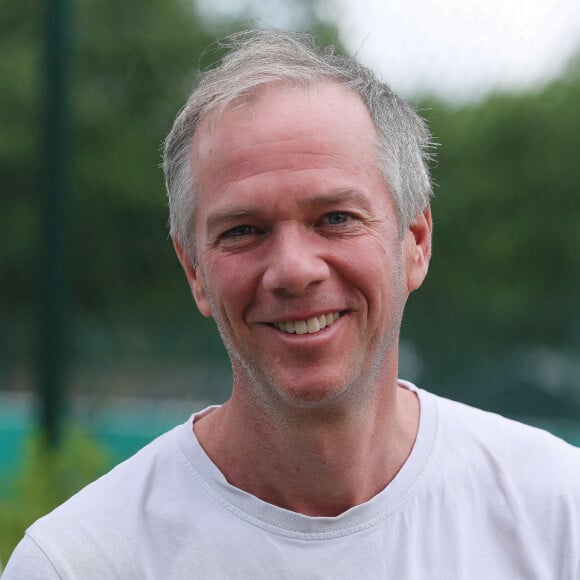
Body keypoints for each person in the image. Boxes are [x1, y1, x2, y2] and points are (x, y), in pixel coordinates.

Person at [4, 28, 580, 579]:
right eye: (243, 230)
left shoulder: (558, 516)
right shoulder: (79, 564)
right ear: (194, 271)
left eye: (335, 218)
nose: (293, 270)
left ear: (416, 242)